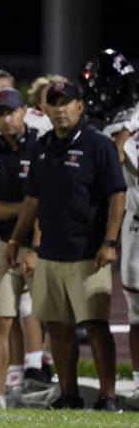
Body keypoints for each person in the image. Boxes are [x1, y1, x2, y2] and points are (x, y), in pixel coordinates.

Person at [7, 81, 125, 411]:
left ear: (80, 106)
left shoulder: (98, 144)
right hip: (50, 253)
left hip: (88, 253)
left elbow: (118, 194)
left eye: (66, 102)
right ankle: (69, 394)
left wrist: (110, 241)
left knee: (96, 326)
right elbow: (32, 199)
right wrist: (18, 238)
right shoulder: (43, 145)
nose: (60, 109)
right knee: (57, 327)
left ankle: (109, 396)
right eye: (54, 103)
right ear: (44, 109)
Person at [0, 88, 46, 408]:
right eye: (0, 113)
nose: (5, 118)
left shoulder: (43, 147)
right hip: (2, 244)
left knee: (53, 319)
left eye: (11, 111)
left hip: (40, 246)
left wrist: (35, 247)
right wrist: (28, 207)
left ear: (23, 111)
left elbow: (49, 203)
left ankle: (60, 386)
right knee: (0, 320)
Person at [80, 49, 139, 398]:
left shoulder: (131, 124)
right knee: (135, 311)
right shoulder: (116, 124)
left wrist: (123, 136)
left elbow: (117, 162)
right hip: (132, 223)